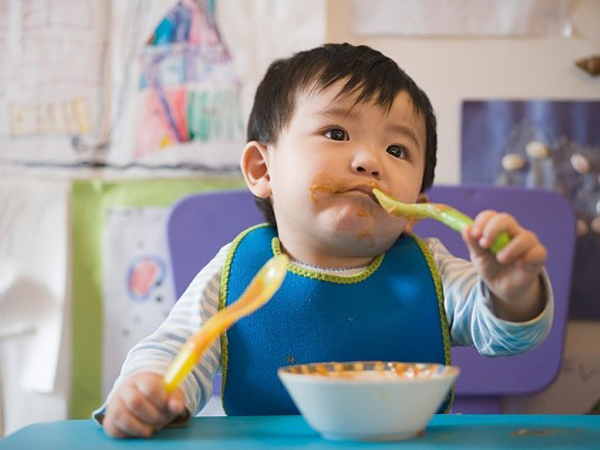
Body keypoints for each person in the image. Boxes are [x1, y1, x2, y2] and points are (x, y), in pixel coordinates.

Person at [96, 43, 552, 438]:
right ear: (262, 170)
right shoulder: (235, 270)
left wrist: (512, 292)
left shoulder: (435, 270)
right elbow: (176, 348)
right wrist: (149, 390)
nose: (369, 161)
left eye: (397, 150)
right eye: (336, 133)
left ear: (416, 204)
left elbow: (505, 336)